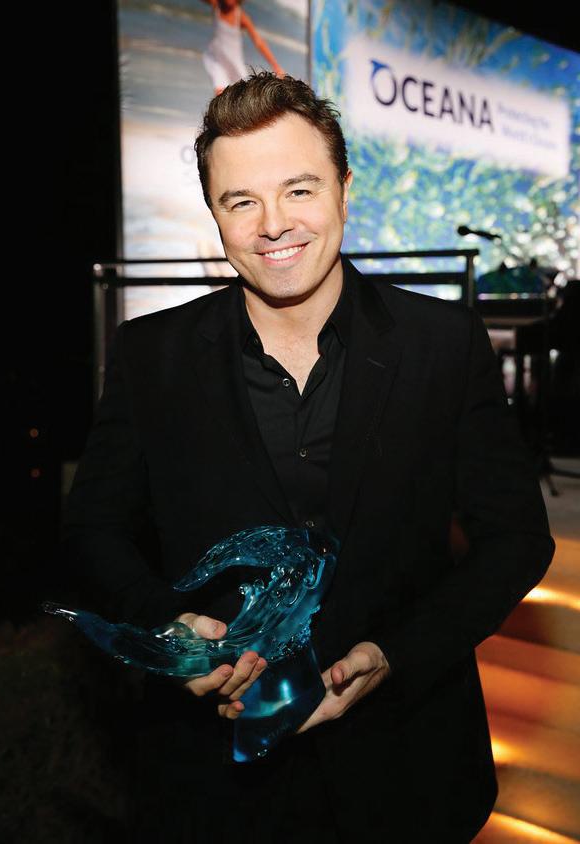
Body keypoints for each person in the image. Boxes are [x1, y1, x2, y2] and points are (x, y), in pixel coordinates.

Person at [62, 72, 554, 843]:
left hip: (409, 773)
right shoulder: (150, 355)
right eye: (241, 201)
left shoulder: (441, 344)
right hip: (216, 787)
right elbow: (92, 527)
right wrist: (165, 624)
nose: (273, 225)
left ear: (343, 190)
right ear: (214, 214)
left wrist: (393, 655)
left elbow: (516, 540)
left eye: (298, 189)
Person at [200, 0, 284, 94]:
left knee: (242, 94)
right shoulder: (216, 6)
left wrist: (276, 66)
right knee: (220, 93)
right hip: (217, 59)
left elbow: (259, 42)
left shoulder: (241, 17)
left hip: (234, 62)